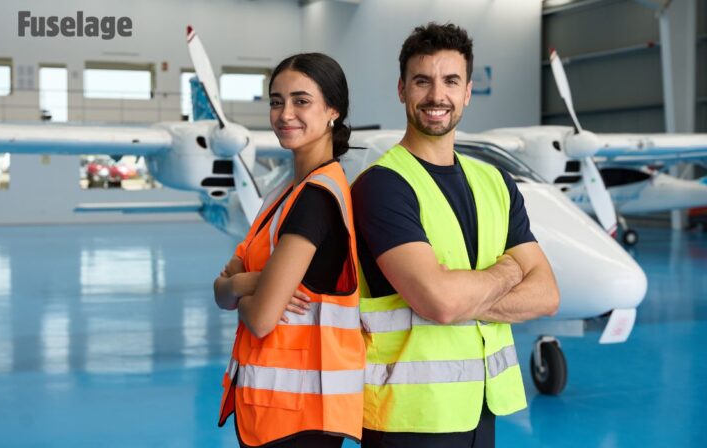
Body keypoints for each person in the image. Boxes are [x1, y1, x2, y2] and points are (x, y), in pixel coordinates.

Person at [351, 23, 560, 448]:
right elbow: (441, 303)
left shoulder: (495, 182)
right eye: (422, 81)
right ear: (402, 89)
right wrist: (508, 270)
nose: (436, 96)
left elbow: (547, 295)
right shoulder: (383, 186)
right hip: (408, 419)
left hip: (482, 409)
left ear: (466, 92)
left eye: (451, 81)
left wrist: (462, 293)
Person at [213, 53, 365, 448]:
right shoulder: (284, 194)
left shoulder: (316, 198)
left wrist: (242, 292)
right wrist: (253, 282)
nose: (284, 114)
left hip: (298, 422)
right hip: (273, 414)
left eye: (301, 101)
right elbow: (222, 287)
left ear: (334, 109)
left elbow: (261, 318)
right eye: (276, 101)